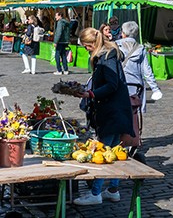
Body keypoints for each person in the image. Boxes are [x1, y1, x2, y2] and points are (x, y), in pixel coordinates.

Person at [72, 27, 134, 206]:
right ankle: (113, 190)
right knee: (114, 151)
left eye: (86, 47)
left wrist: (91, 95)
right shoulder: (109, 55)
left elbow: (112, 85)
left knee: (103, 151)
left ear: (92, 44)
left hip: (112, 111)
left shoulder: (106, 58)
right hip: (117, 110)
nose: (86, 50)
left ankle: (95, 193)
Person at [116, 21, 163, 150]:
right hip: (136, 87)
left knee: (120, 111)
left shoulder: (116, 46)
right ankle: (135, 136)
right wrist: (154, 87)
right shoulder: (140, 48)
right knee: (134, 113)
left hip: (120, 84)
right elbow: (146, 70)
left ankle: (121, 138)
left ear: (123, 33)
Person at [53, 10, 73, 75]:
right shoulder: (66, 22)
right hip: (65, 41)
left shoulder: (60, 22)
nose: (55, 17)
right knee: (63, 55)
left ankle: (59, 70)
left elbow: (59, 32)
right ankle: (66, 70)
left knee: (57, 55)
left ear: (59, 16)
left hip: (60, 41)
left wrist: (56, 41)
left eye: (56, 15)